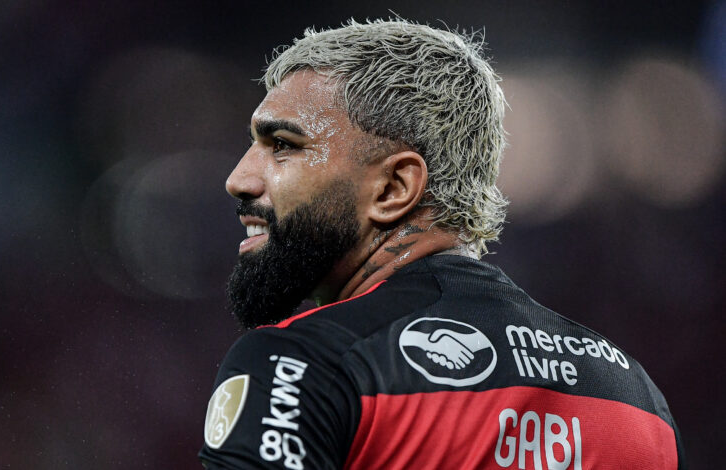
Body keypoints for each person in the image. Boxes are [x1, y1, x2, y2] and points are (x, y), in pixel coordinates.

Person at [198, 19, 685, 470]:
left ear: (393, 189)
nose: (238, 179)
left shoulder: (299, 365)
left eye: (282, 144)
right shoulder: (636, 398)